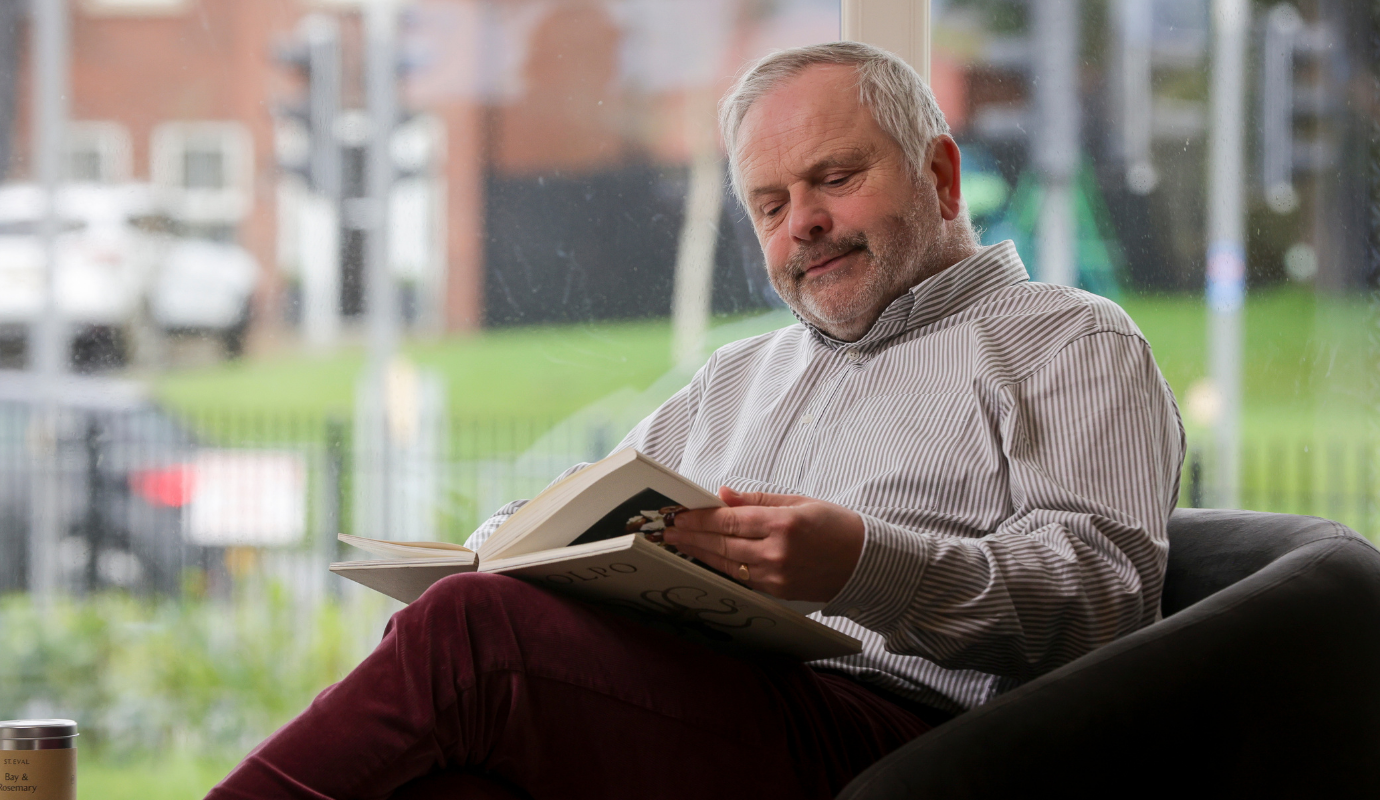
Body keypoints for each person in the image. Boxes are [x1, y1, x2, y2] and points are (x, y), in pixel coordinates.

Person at [207, 41, 1183, 800]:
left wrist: (860, 565)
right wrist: (502, 547)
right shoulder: (739, 376)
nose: (801, 223)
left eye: (834, 178)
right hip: (703, 711)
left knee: (470, 632)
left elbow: (1105, 599)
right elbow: (582, 510)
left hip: (904, 744)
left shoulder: (1068, 341)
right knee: (454, 776)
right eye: (770, 203)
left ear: (941, 176)